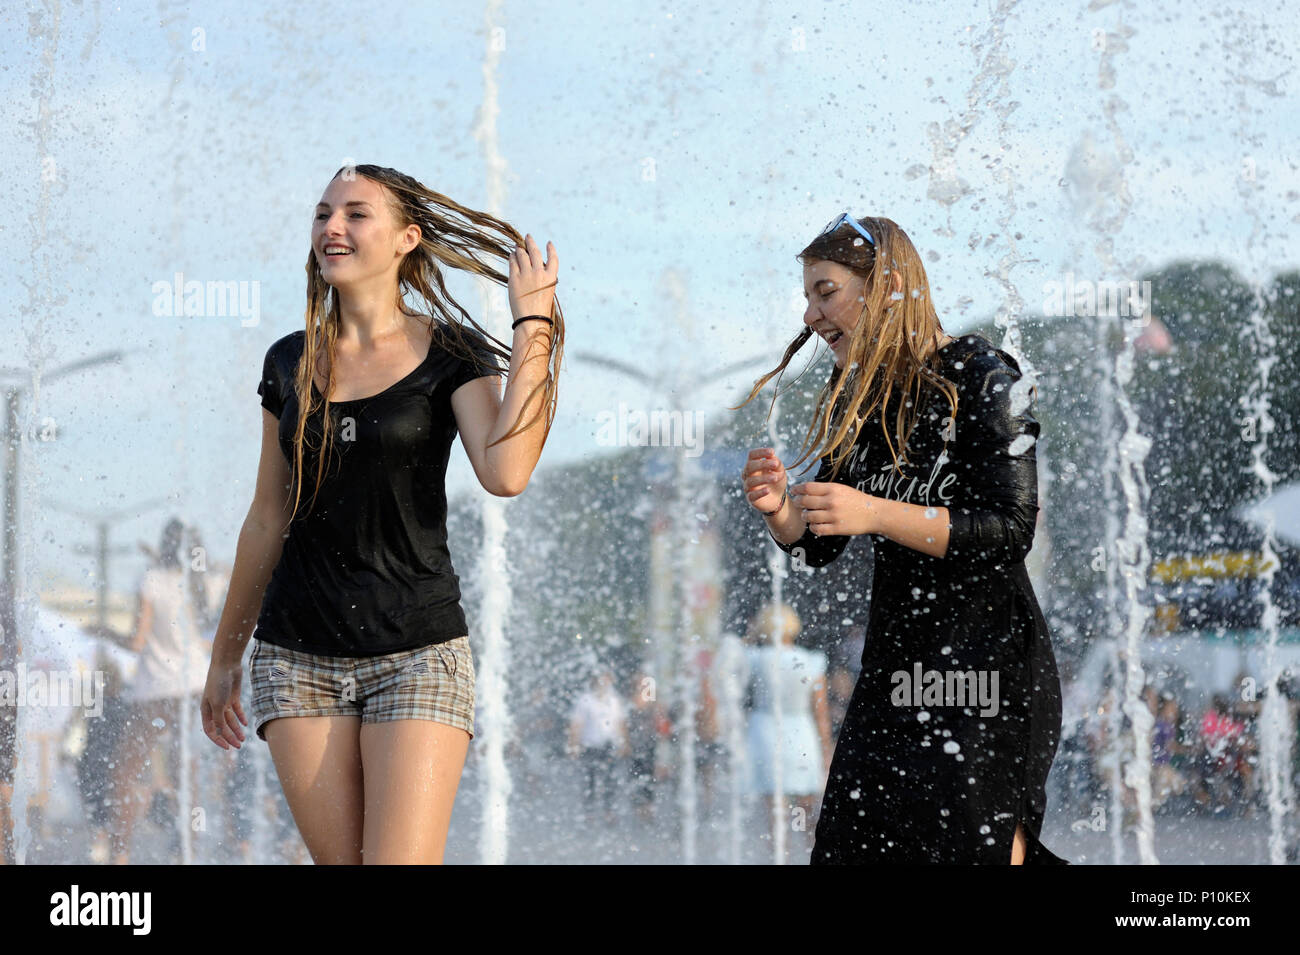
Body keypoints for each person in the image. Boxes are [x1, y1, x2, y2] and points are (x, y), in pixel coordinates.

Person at [200, 163, 563, 864]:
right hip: (297, 655)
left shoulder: (453, 353)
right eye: (322, 212)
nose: (331, 226)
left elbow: (507, 471)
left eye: (356, 213)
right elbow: (265, 517)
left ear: (407, 238)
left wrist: (534, 324)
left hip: (419, 653)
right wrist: (224, 656)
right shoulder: (290, 362)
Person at [736, 213, 1066, 864]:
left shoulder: (983, 372)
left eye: (825, 291)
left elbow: (1009, 529)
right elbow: (818, 545)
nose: (810, 314)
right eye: (807, 296)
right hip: (895, 672)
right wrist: (780, 511)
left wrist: (875, 510)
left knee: (974, 850)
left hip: (986, 671)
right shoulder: (859, 399)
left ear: (884, 286)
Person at [109, 517, 213, 864]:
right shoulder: (197, 582)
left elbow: (138, 641)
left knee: (125, 771)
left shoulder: (150, 580)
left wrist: (103, 632)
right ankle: (186, 852)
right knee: (186, 772)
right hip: (195, 687)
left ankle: (120, 853)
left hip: (156, 687)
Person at [738, 603, 831, 845]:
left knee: (776, 815)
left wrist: (751, 634)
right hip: (801, 734)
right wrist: (827, 750)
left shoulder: (756, 658)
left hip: (764, 734)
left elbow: (731, 661)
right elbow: (821, 712)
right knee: (808, 811)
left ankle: (781, 858)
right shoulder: (811, 661)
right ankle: (813, 852)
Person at [567, 669, 628, 822]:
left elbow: (620, 723)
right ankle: (589, 812)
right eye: (602, 679)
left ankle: (609, 811)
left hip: (609, 745)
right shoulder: (585, 700)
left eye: (608, 680)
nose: (605, 683)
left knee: (610, 779)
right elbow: (576, 724)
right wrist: (574, 745)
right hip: (590, 745)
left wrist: (624, 742)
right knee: (590, 778)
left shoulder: (614, 700)